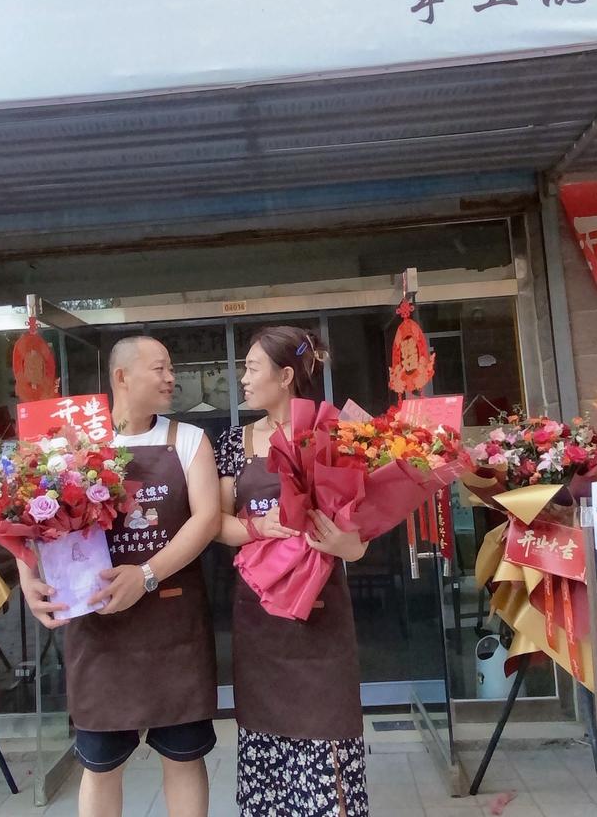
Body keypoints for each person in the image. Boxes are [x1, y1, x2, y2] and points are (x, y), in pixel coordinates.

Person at [19, 336, 221, 817]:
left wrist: (146, 574)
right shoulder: (73, 445)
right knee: (100, 765)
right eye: (160, 368)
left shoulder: (189, 440)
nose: (171, 378)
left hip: (174, 627)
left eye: (171, 368)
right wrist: (28, 576)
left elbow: (207, 519)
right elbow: (30, 520)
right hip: (100, 630)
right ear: (122, 377)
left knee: (184, 757)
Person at [215, 326, 370, 816]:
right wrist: (259, 527)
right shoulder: (234, 442)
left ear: (285, 376)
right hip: (259, 619)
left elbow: (360, 543)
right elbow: (217, 524)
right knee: (266, 739)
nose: (243, 379)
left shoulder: (335, 437)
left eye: (251, 368)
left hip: (321, 619)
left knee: (327, 735)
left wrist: (341, 544)